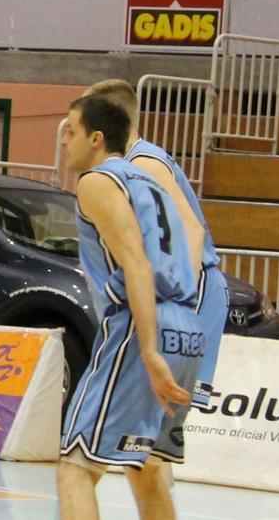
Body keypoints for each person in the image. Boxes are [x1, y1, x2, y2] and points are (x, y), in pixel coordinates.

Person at [57, 95, 204, 520]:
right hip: (186, 325)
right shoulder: (153, 182)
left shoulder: (97, 182)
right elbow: (193, 231)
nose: (65, 142)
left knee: (75, 468)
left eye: (72, 131)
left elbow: (136, 261)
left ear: (97, 139)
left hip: (141, 325)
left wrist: (149, 348)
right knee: (147, 468)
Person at [86, 80, 229, 463]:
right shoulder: (132, 164)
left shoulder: (142, 163)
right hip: (192, 293)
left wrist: (177, 304)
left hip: (193, 291)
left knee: (125, 440)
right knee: (149, 447)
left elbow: (192, 230)